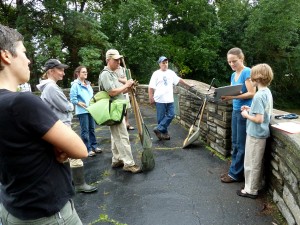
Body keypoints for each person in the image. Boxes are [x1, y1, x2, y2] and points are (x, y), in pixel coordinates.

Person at [0, 24, 86, 225]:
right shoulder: (22, 102)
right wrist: (57, 144)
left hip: (12, 208)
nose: (29, 60)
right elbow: (80, 149)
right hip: (46, 214)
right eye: (24, 52)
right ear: (6, 55)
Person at [36, 59, 97, 193]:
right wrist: (70, 105)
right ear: (51, 71)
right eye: (60, 69)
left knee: (62, 156)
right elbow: (66, 106)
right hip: (61, 126)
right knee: (74, 155)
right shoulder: (51, 87)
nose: (63, 73)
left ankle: (67, 185)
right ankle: (79, 184)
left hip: (58, 125)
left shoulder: (49, 87)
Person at [98, 49, 141, 174]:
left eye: (119, 59)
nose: (118, 62)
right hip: (113, 109)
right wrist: (126, 84)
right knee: (122, 136)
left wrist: (129, 87)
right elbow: (111, 92)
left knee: (115, 135)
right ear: (108, 60)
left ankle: (116, 159)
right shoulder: (106, 74)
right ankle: (128, 163)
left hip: (117, 107)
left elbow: (120, 90)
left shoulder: (114, 74)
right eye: (115, 60)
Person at [237, 64, 273, 199]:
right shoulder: (266, 92)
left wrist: (246, 115)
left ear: (257, 77)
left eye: (252, 75)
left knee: (251, 163)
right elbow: (262, 111)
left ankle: (251, 190)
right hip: (261, 134)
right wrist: (250, 108)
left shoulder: (258, 96)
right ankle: (253, 186)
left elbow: (258, 119)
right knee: (256, 162)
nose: (250, 77)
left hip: (256, 134)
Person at [220, 47, 256, 183]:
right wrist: (225, 95)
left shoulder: (247, 72)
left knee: (241, 144)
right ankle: (234, 170)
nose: (231, 64)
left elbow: (252, 92)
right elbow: (233, 91)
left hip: (244, 111)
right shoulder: (233, 75)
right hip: (236, 110)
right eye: (229, 62)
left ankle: (235, 174)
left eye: (234, 61)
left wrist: (231, 97)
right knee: (234, 142)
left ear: (241, 59)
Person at [148, 56, 194, 140]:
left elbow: (179, 80)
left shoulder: (171, 73)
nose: (165, 64)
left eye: (166, 62)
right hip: (160, 99)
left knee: (171, 114)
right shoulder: (156, 73)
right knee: (161, 118)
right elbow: (151, 86)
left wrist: (188, 85)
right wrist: (150, 97)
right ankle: (164, 134)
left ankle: (159, 129)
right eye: (163, 63)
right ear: (159, 64)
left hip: (169, 99)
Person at [70, 66, 102, 157]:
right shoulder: (75, 85)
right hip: (82, 111)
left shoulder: (88, 84)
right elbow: (73, 99)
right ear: (78, 73)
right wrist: (80, 103)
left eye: (86, 72)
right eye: (83, 72)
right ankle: (87, 149)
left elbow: (91, 97)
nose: (85, 73)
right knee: (85, 131)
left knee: (92, 129)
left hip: (90, 110)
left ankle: (94, 146)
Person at [116, 65, 135, 130]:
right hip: (118, 91)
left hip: (125, 90)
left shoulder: (123, 69)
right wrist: (123, 80)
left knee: (126, 108)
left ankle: (127, 124)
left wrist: (119, 79)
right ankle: (122, 124)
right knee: (120, 109)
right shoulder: (112, 70)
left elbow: (127, 80)